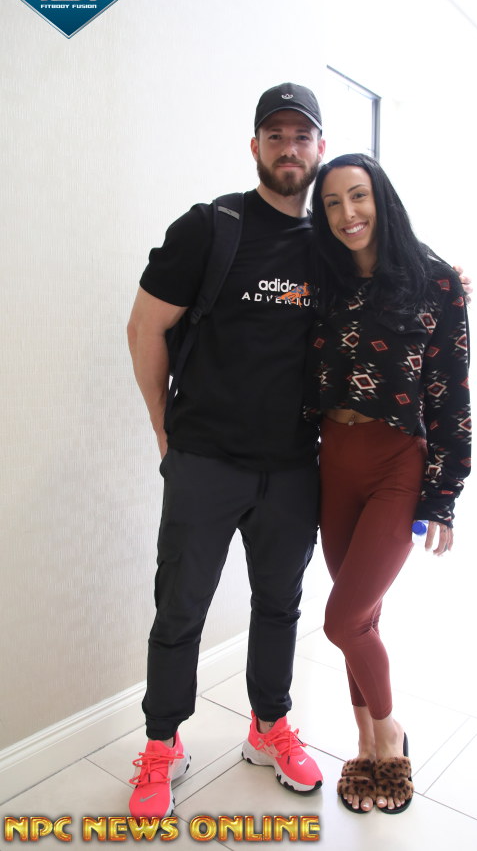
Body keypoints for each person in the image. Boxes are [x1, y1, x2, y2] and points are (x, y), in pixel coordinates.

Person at [126, 83, 328, 818]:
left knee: (280, 605)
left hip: (294, 467)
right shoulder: (211, 227)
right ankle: (162, 744)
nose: (288, 147)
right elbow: (145, 328)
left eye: (301, 136)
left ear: (320, 149)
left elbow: (395, 277)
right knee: (180, 608)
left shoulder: (331, 245)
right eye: (275, 135)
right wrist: (163, 429)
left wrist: (448, 280)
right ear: (255, 147)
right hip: (206, 462)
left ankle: (269, 726)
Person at [304, 153, 471, 815]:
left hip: (397, 464)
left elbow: (451, 393)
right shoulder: (324, 280)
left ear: (382, 199)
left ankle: (390, 733)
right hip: (334, 461)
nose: (347, 213)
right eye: (332, 202)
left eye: (359, 196)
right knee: (363, 618)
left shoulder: (436, 282)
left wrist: (444, 495)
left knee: (342, 619)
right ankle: (365, 745)